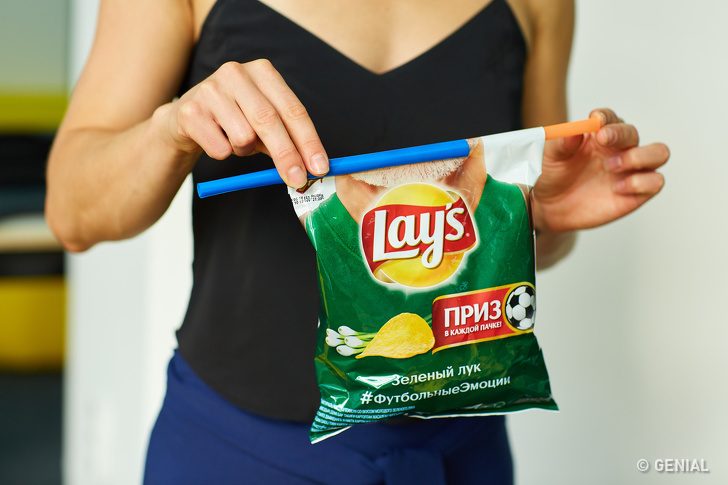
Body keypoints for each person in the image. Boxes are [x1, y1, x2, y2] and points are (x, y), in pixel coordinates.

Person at [46, 0, 669, 483]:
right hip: (239, 453)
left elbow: (533, 243)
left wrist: (542, 215)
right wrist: (173, 129)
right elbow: (72, 213)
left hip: (462, 452)